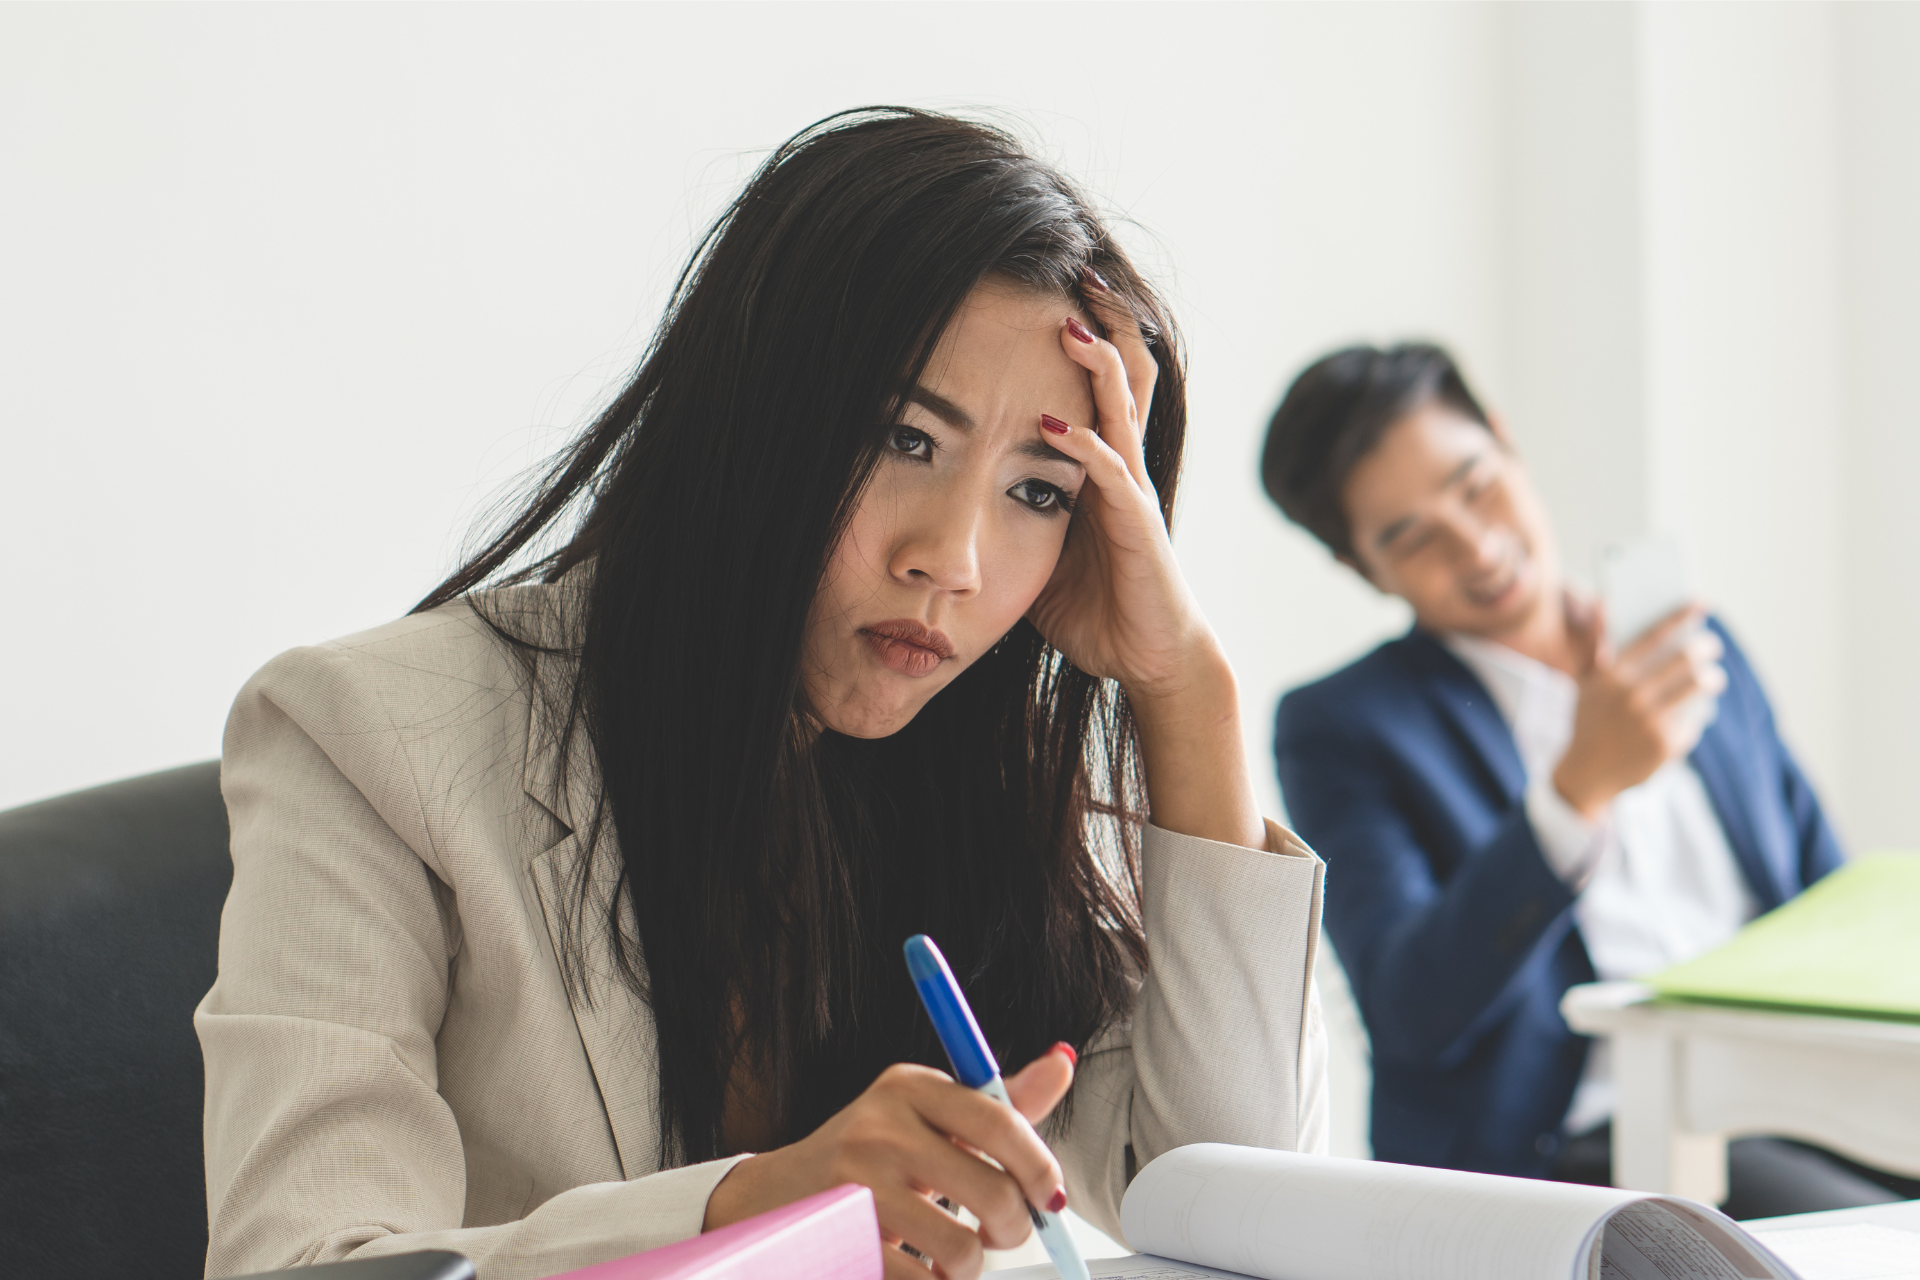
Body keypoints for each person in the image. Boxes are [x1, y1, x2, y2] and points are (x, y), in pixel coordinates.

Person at [197, 109, 1329, 1280]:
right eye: (903, 435)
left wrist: (1183, 685)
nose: (956, 559)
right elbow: (306, 1263)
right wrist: (765, 1203)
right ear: (752, 413)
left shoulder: (980, 777)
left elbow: (1234, 1212)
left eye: (1039, 492)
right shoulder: (367, 734)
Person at [1260, 343, 1909, 1218]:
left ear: (1505, 439)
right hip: (1572, 1148)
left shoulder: (1694, 649)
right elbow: (1410, 1011)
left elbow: (1828, 906)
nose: (1478, 547)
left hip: (1797, 1104)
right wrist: (1571, 797)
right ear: (1362, 569)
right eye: (1411, 538)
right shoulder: (1343, 725)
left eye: (1475, 485)